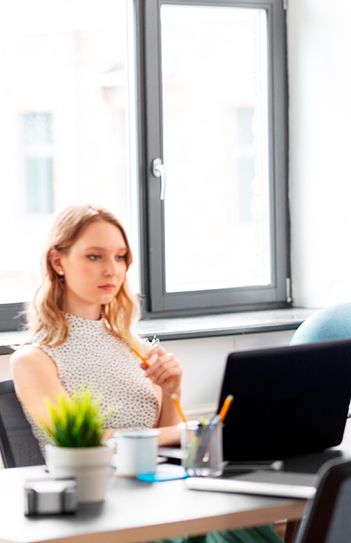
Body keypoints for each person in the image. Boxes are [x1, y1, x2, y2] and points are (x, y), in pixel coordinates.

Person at [11, 204, 280, 543]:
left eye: (121, 257)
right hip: (101, 511)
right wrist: (183, 431)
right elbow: (88, 443)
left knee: (244, 517)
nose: (112, 270)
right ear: (57, 261)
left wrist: (170, 391)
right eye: (95, 257)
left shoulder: (135, 346)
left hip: (159, 495)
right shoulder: (33, 360)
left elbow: (161, 437)